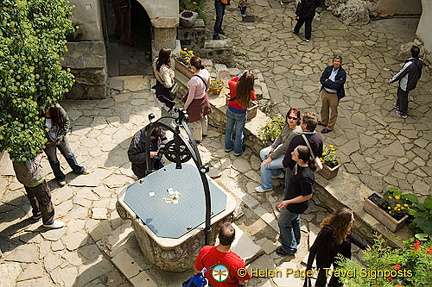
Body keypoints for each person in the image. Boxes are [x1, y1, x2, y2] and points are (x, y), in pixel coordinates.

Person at [306, 208, 371, 287]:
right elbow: (313, 250)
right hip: (325, 256)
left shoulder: (346, 228)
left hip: (340, 256)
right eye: (351, 219)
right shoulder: (326, 232)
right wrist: (308, 269)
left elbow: (350, 237)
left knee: (338, 279)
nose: (353, 220)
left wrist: (363, 246)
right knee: (321, 279)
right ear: (343, 222)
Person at [277, 145, 314, 256]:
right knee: (294, 220)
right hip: (292, 200)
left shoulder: (305, 176)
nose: (292, 153)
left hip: (295, 205)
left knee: (283, 223)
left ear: (301, 159)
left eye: (295, 153)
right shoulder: (298, 165)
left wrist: (288, 202)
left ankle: (289, 248)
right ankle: (295, 239)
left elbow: (307, 195)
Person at [255, 108, 302, 193]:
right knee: (263, 153)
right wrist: (273, 147)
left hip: (289, 156)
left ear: (298, 119)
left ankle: (266, 186)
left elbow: (284, 147)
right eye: (289, 117)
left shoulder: (295, 132)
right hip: (283, 150)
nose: (291, 120)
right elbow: (280, 136)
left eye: (294, 118)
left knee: (264, 165)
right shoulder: (287, 125)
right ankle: (277, 173)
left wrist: (271, 157)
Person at [12, 154, 64, 229]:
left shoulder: (15, 152)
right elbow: (31, 169)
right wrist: (39, 156)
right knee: (45, 199)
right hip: (36, 179)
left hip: (25, 180)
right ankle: (48, 221)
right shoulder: (24, 154)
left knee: (32, 197)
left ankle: (37, 213)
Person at [44, 104, 89, 186]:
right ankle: (59, 177)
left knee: (68, 154)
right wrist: (44, 140)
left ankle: (77, 169)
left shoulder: (57, 109)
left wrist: (60, 136)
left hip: (60, 137)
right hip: (48, 142)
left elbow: (66, 122)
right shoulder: (37, 116)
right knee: (53, 160)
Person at [194, 222, 252, 286]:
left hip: (213, 283)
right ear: (233, 239)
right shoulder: (238, 263)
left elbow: (197, 269)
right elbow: (243, 280)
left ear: (218, 236)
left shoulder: (205, 251)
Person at [282, 112, 323, 194]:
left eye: (302, 121)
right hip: (308, 167)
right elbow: (319, 153)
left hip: (295, 167)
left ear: (305, 126)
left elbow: (289, 156)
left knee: (290, 186)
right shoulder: (318, 137)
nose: (300, 121)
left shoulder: (297, 139)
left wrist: (285, 164)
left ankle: (287, 200)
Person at [225, 70, 257, 157]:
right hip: (241, 113)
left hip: (230, 110)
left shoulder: (234, 85)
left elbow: (230, 81)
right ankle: (237, 150)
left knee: (229, 129)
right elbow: (254, 98)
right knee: (239, 132)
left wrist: (239, 76)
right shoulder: (249, 92)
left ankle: (228, 146)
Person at [389, 45, 424, 119]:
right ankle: (398, 105)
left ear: (411, 53)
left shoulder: (409, 65)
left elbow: (401, 73)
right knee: (400, 93)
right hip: (412, 82)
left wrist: (392, 80)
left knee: (403, 96)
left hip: (406, 83)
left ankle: (403, 112)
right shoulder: (420, 62)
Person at [183, 56, 212, 143]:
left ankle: (197, 138)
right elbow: (209, 83)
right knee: (204, 116)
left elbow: (191, 96)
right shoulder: (205, 72)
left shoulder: (194, 80)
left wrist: (186, 106)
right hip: (203, 97)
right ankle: (204, 132)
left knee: (196, 121)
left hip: (196, 101)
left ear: (193, 67)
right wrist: (205, 91)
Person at [319, 55, 346, 133]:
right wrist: (330, 83)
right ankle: (324, 122)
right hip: (325, 92)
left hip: (334, 95)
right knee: (324, 108)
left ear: (340, 63)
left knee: (333, 111)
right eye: (335, 61)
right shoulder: (328, 69)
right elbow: (322, 80)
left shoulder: (342, 73)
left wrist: (328, 81)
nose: (336, 63)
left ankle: (330, 127)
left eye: (338, 61)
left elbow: (337, 85)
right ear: (333, 62)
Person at [152, 48, 176, 117]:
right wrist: (167, 84)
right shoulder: (165, 70)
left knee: (162, 105)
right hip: (165, 90)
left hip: (159, 86)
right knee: (167, 107)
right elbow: (169, 84)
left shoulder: (156, 62)